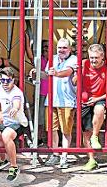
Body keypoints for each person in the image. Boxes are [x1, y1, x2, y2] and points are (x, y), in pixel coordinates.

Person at [29, 38, 78, 169]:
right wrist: (37, 73)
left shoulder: (74, 59)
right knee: (52, 128)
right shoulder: (53, 59)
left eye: (64, 48)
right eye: (59, 48)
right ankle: (55, 153)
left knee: (66, 130)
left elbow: (68, 72)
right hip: (51, 99)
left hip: (67, 100)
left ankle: (64, 155)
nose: (61, 50)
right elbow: (47, 75)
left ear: (70, 49)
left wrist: (56, 73)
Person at [73, 44, 107, 172]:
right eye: (91, 57)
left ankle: (95, 136)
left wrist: (98, 99)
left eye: (96, 58)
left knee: (99, 110)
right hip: (84, 101)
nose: (93, 60)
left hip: (101, 98)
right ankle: (91, 159)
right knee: (85, 132)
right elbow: (74, 82)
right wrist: (78, 73)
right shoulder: (84, 64)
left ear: (102, 56)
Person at [0, 67, 29, 183]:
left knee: (6, 135)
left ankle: (14, 167)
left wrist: (15, 108)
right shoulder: (2, 87)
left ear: (14, 80)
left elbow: (16, 102)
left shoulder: (16, 92)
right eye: (3, 81)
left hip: (18, 122)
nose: (5, 83)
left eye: (8, 81)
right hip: (7, 121)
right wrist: (1, 113)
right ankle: (3, 160)